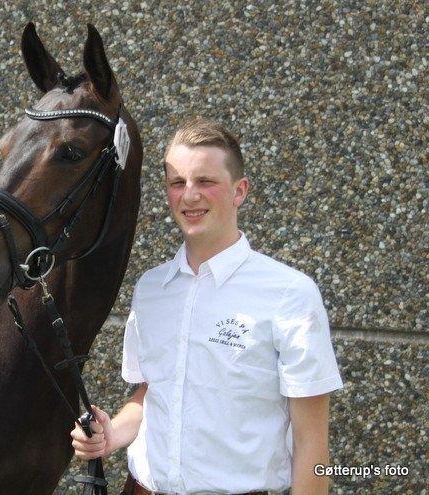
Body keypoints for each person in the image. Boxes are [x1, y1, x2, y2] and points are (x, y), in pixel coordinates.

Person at [71, 118, 343, 495]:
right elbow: (151, 392)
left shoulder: (290, 294)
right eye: (177, 183)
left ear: (239, 191)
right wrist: (111, 433)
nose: (190, 195)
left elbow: (311, 442)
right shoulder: (151, 289)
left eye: (206, 182)